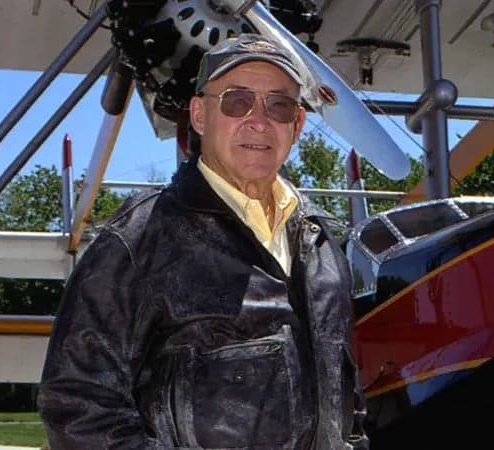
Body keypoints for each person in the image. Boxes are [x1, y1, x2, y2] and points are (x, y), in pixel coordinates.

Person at [38, 34, 369, 450]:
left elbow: (344, 394)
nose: (259, 120)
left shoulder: (323, 244)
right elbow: (77, 405)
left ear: (298, 125)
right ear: (198, 115)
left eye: (279, 105)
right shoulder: (139, 239)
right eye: (236, 101)